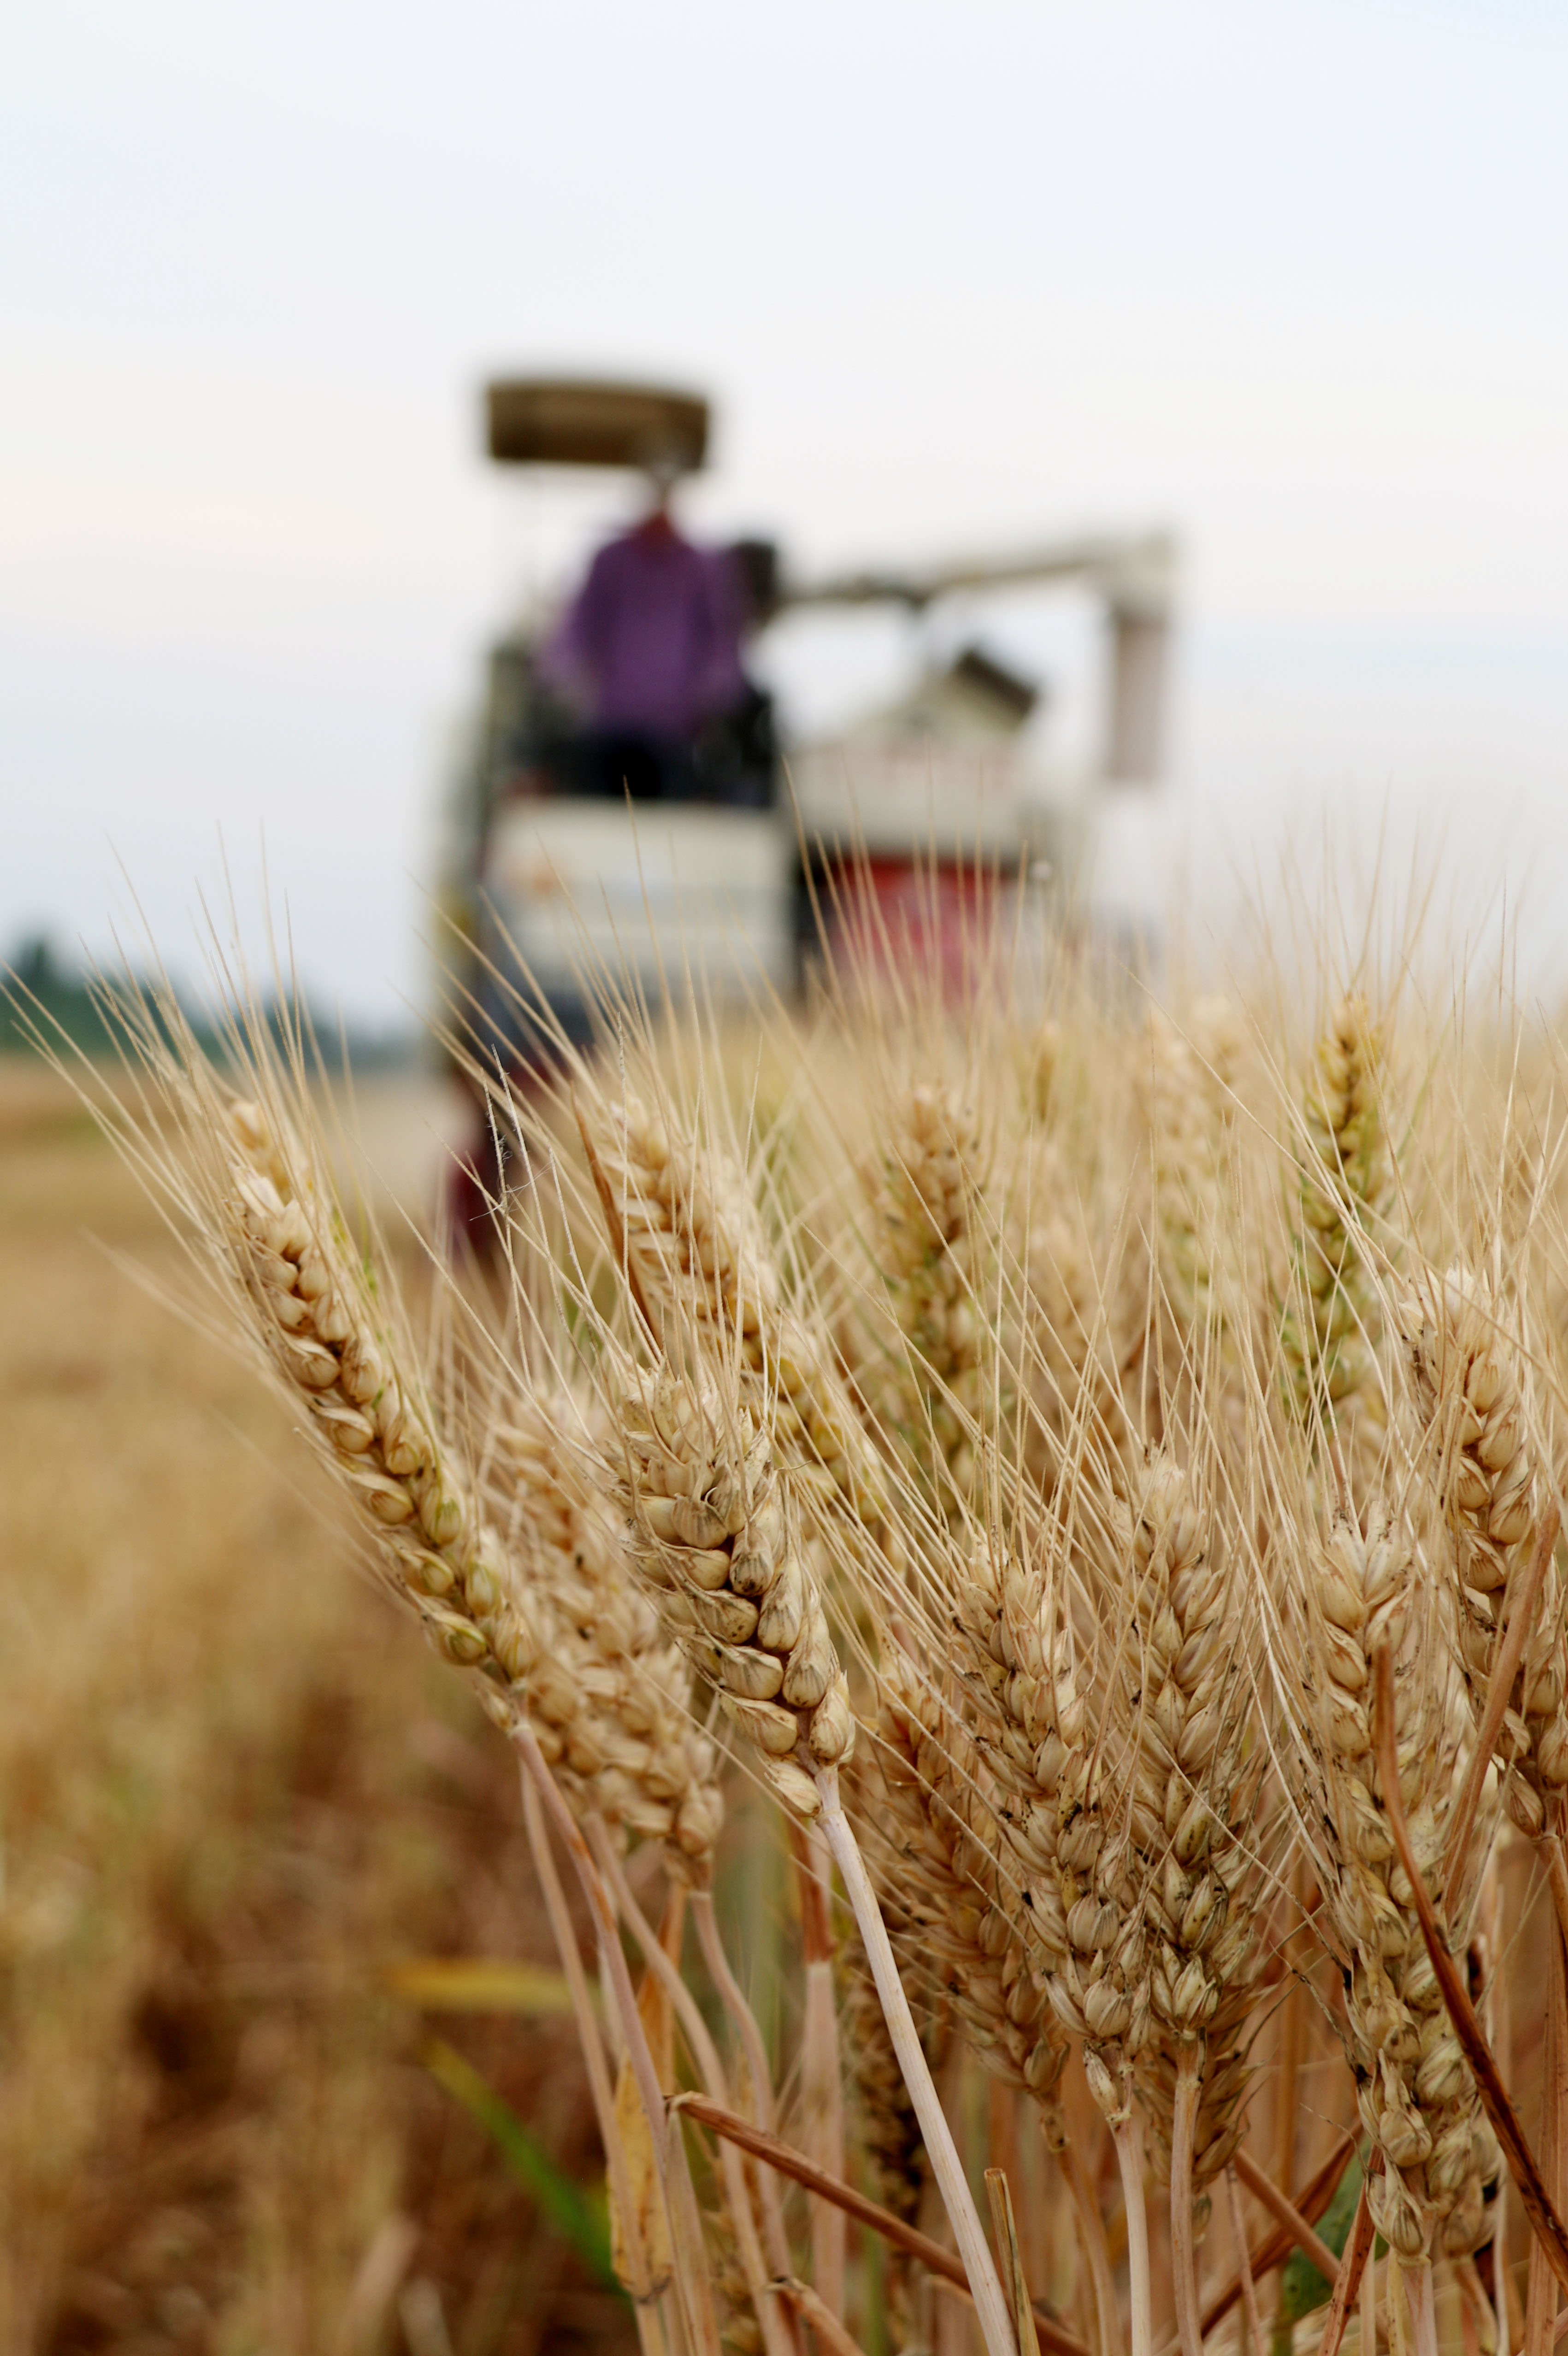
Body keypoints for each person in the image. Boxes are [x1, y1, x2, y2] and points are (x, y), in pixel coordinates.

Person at [540, 456, 749, 802]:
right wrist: (563, 675)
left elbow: (723, 641)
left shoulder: (704, 567)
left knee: (668, 826)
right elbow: (577, 627)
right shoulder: (609, 560)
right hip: (610, 723)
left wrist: (713, 695)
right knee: (599, 815)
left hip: (676, 731)